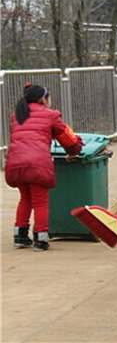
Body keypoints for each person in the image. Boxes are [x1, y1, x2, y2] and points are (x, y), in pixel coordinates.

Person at [5, 83, 83, 251]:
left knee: (25, 198)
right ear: (44, 99)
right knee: (40, 201)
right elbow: (68, 140)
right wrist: (76, 149)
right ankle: (40, 239)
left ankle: (20, 235)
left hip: (16, 163)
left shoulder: (17, 115)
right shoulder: (50, 115)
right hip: (37, 163)